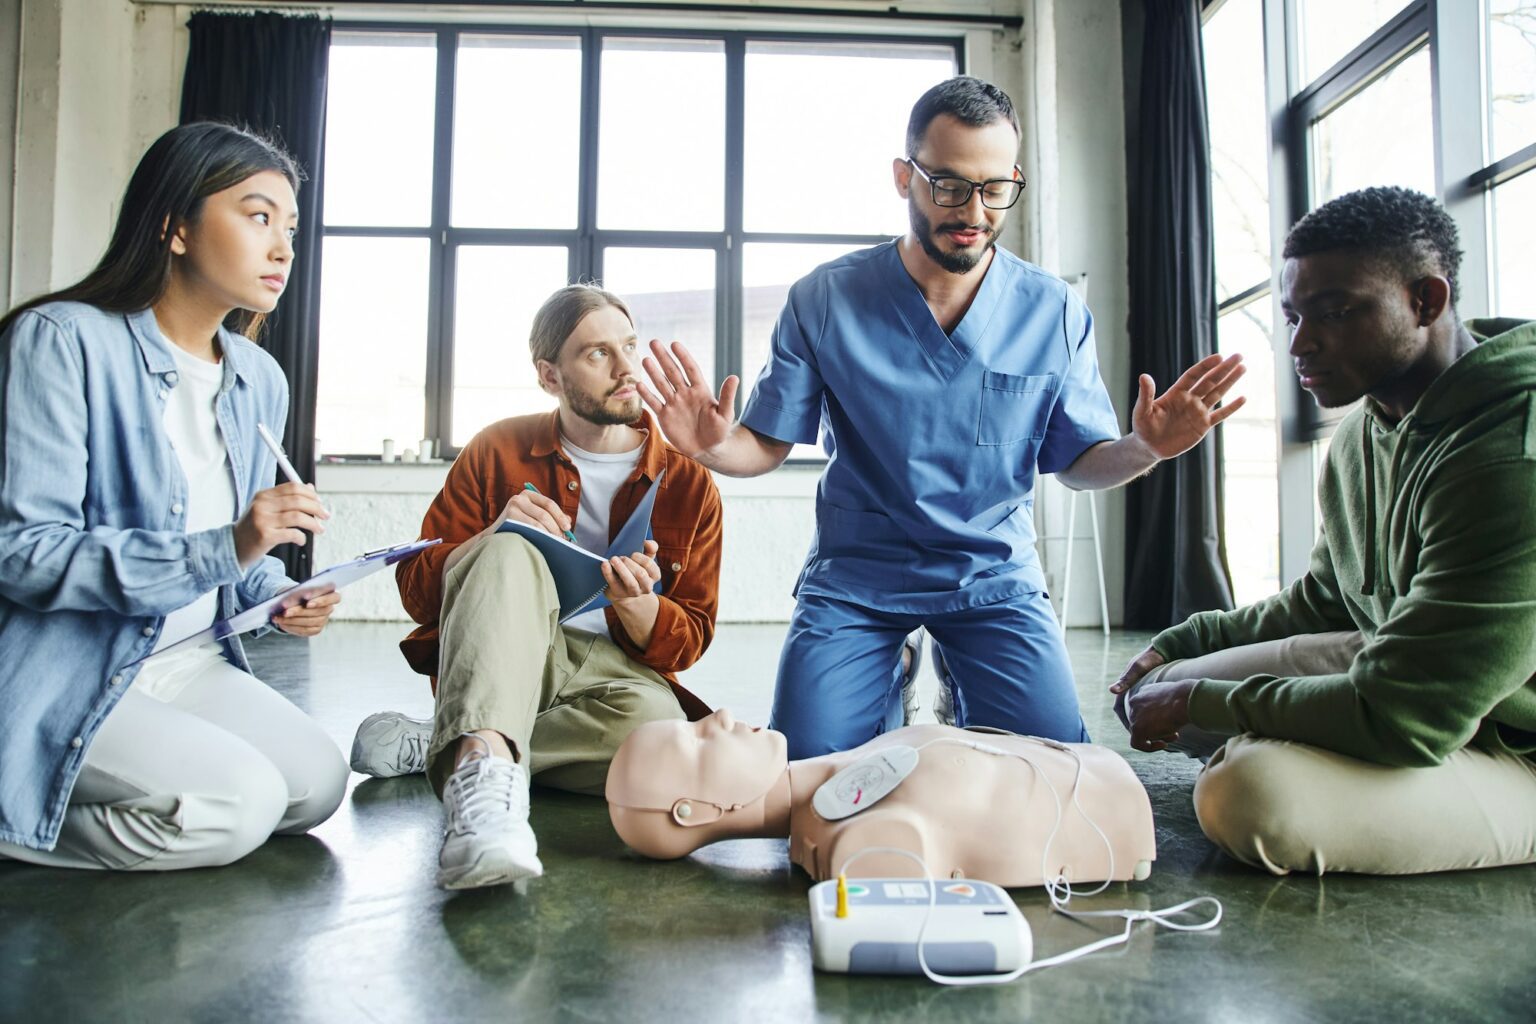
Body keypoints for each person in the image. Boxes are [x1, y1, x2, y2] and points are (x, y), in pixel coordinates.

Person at [641, 76, 1244, 758]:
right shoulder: (825, 298)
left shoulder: (1052, 311)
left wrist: (1146, 446)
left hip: (992, 576)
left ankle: (964, 675)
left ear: (1013, 180)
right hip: (858, 578)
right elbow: (766, 446)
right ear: (904, 178)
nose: (973, 210)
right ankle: (891, 671)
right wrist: (715, 447)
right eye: (948, 184)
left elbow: (1078, 466)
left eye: (993, 189)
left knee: (1055, 772)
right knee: (808, 777)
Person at [1112, 186, 1536, 876]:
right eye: (1292, 317)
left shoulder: (1513, 453)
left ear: (1425, 301)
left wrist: (1211, 703)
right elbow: (1329, 598)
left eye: (1335, 313)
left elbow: (1409, 714)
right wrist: (1187, 645)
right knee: (1160, 692)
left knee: (1246, 797)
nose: (1301, 344)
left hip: (1512, 746)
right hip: (1423, 684)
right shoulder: (1366, 431)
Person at [0, 122, 347, 870]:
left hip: (189, 660)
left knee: (315, 786)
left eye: (289, 226)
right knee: (241, 806)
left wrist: (285, 594)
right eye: (258, 217)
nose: (284, 247)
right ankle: (20, 812)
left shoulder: (259, 376)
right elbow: (24, 554)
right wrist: (228, 545)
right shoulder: (61, 340)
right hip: (79, 662)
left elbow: (239, 564)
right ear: (175, 226)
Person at [376, 284, 724, 890]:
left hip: (613, 675)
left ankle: (454, 739)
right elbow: (417, 590)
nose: (626, 370)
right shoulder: (494, 449)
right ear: (549, 375)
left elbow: (691, 636)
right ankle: (481, 786)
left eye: (629, 346)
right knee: (513, 546)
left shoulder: (690, 482)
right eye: (597, 354)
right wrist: (491, 535)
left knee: (665, 759)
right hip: (506, 652)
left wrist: (640, 609)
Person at [605, 709, 1157, 887]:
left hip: (1097, 774)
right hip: (1118, 815)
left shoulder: (844, 774)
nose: (720, 716)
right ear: (692, 811)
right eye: (699, 740)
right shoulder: (859, 845)